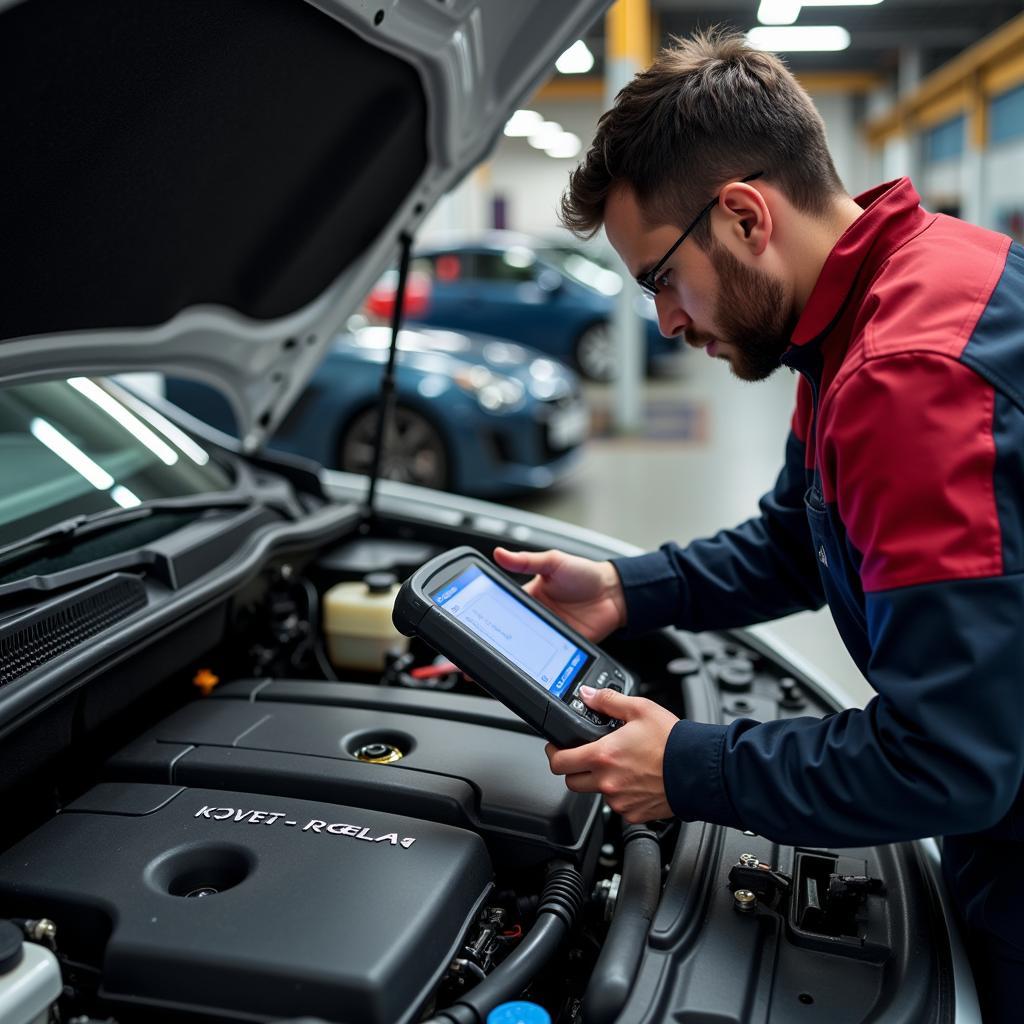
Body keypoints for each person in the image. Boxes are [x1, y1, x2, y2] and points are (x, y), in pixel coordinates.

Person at [493, 29, 1024, 1022]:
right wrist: (627, 588)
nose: (664, 322)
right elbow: (800, 536)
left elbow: (951, 760)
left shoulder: (901, 376)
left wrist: (686, 768)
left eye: (658, 277)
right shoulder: (887, 295)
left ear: (742, 216)